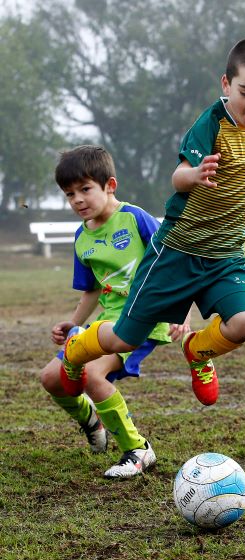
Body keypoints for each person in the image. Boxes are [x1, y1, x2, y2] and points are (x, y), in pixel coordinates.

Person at [59, 38, 245, 406]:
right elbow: (178, 176)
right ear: (226, 85)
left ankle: (198, 350)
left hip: (224, 257)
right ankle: (78, 347)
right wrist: (196, 175)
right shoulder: (212, 124)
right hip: (175, 253)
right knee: (125, 338)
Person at [40, 145, 190, 479]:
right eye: (69, 194)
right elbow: (92, 289)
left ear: (110, 185)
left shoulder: (135, 219)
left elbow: (173, 262)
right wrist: (73, 324)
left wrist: (182, 313)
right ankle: (92, 422)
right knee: (51, 379)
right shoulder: (82, 238)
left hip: (144, 320)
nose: (77, 199)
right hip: (105, 322)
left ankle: (138, 449)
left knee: (92, 375)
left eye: (85, 189)